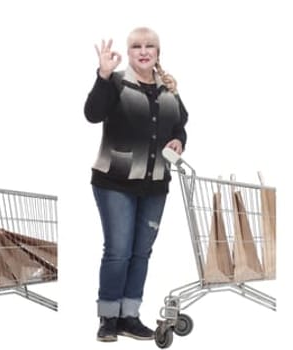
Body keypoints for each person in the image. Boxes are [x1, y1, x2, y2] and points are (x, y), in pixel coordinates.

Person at [81, 27, 188, 343]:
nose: (144, 51)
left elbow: (180, 126)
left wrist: (179, 141)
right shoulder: (115, 83)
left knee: (141, 252)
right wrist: (102, 74)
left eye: (150, 46)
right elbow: (92, 114)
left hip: (155, 184)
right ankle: (108, 317)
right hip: (115, 181)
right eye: (137, 47)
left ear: (158, 52)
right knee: (118, 251)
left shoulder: (169, 90)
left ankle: (130, 315)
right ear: (128, 53)